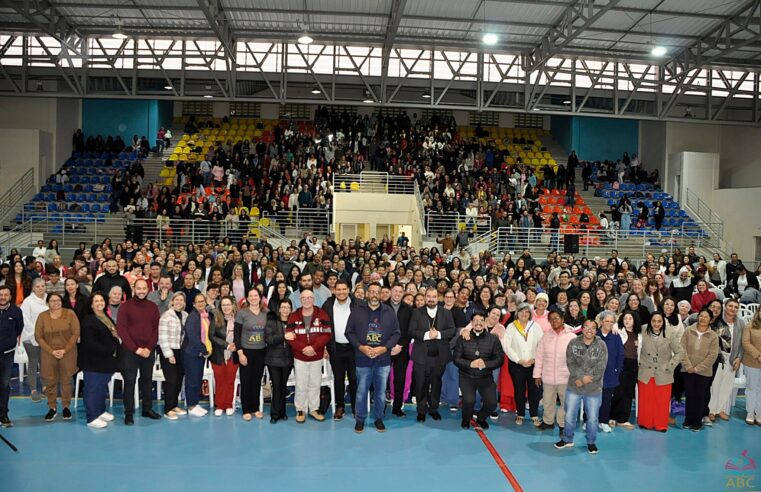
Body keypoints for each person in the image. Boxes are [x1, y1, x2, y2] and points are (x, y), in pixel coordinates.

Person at [345, 282, 400, 433]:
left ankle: (379, 418)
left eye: (377, 292)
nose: (374, 294)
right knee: (361, 391)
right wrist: (361, 347)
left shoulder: (389, 311)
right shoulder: (357, 311)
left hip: (382, 360)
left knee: (381, 392)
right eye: (372, 291)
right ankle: (360, 419)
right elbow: (349, 332)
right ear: (367, 293)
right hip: (363, 358)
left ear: (382, 294)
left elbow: (396, 333)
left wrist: (384, 348)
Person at [555, 319, 608, 454]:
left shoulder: (601, 345)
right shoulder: (573, 343)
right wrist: (580, 378)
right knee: (569, 416)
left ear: (596, 330)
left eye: (592, 328)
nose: (589, 330)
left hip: (593, 388)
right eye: (586, 327)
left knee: (592, 418)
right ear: (582, 328)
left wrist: (585, 379)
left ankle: (591, 442)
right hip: (574, 386)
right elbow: (570, 362)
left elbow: (601, 366)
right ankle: (567, 439)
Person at [116, 278, 161, 425]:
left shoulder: (153, 307)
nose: (141, 291)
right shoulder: (125, 307)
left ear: (148, 290)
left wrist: (148, 348)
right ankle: (129, 413)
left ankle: (147, 409)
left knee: (147, 380)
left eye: (144, 288)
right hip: (130, 351)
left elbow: (156, 329)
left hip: (148, 351)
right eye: (139, 288)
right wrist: (136, 349)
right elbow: (121, 330)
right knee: (130, 381)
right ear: (134, 289)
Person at [285, 288, 332, 423]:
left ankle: (314, 409)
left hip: (316, 356)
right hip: (300, 357)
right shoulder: (294, 316)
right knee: (300, 384)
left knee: (315, 383)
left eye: (309, 298)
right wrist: (304, 348)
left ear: (314, 299)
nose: (307, 300)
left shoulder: (322, 314)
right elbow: (289, 336)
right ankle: (300, 409)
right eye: (304, 298)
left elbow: (327, 333)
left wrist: (314, 347)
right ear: (300, 300)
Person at [409, 288, 456, 422]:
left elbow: (452, 330)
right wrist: (426, 335)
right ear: (425, 297)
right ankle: (421, 410)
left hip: (439, 356)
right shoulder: (416, 312)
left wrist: (439, 334)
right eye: (428, 296)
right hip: (421, 356)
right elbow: (411, 331)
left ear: (438, 298)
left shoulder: (446, 313)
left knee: (436, 384)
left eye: (434, 296)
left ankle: (434, 409)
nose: (431, 299)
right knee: (420, 384)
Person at [453, 311, 503, 430]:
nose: (478, 323)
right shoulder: (463, 338)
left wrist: (486, 364)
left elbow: (500, 359)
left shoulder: (493, 339)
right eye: (475, 321)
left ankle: (481, 418)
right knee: (469, 401)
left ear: (485, 322)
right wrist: (470, 364)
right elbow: (456, 359)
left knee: (492, 403)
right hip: (466, 376)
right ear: (471, 323)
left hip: (485, 377)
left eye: (481, 320)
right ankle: (466, 418)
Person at [35, 292, 80, 421]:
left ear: (61, 301)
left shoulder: (70, 314)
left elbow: (76, 332)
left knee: (66, 380)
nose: (55, 303)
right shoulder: (42, 316)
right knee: (50, 380)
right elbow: (38, 336)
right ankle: (52, 407)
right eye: (52, 301)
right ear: (47, 303)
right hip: (48, 353)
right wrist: (51, 351)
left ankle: (66, 407)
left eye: (58, 300)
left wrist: (65, 350)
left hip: (68, 352)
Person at [78, 292, 120, 428]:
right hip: (93, 361)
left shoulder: (104, 316)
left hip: (106, 361)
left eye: (101, 300)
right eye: (96, 301)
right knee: (92, 388)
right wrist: (111, 349)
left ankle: (100, 411)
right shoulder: (89, 320)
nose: (99, 303)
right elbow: (91, 343)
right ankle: (91, 417)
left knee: (102, 387)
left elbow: (113, 334)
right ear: (91, 304)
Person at [637, 312, 683, 432]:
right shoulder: (642, 330)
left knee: (661, 401)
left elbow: (680, 352)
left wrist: (670, 366)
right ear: (649, 321)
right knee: (646, 399)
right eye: (654, 321)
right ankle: (645, 422)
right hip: (646, 370)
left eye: (659, 321)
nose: (656, 324)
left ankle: (660, 424)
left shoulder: (670, 334)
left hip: (663, 371)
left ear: (663, 322)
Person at [322, 279, 360, 421]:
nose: (341, 292)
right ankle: (340, 406)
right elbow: (324, 327)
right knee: (338, 378)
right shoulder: (328, 305)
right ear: (334, 290)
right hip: (335, 348)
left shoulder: (357, 304)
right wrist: (325, 346)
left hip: (354, 348)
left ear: (349, 290)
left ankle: (356, 407)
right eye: (338, 289)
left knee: (354, 378)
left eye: (344, 289)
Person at [533, 309, 575, 432]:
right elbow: (539, 356)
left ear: (562, 319)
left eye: (557, 318)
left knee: (565, 403)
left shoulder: (571, 336)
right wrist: (537, 374)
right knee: (547, 401)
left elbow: (576, 358)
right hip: (548, 377)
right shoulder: (545, 336)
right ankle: (548, 421)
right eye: (551, 319)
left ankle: (562, 424)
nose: (554, 321)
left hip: (565, 377)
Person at [503, 303, 543, 426]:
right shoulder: (511, 326)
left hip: (533, 364)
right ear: (517, 313)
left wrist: (535, 359)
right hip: (517, 365)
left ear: (530, 314)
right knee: (519, 390)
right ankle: (520, 413)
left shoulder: (535, 326)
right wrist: (518, 360)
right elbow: (506, 345)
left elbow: (542, 344)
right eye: (521, 312)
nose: (524, 314)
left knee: (534, 391)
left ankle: (534, 414)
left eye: (526, 312)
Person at [681, 308, 719, 431]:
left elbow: (712, 356)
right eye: (701, 316)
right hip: (687, 370)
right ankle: (688, 420)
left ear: (711, 320)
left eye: (706, 317)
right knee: (689, 395)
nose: (703, 318)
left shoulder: (713, 336)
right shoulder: (688, 330)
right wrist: (688, 366)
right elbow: (682, 349)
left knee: (700, 396)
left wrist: (697, 368)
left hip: (704, 372)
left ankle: (697, 422)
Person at [235, 288, 269, 421]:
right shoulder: (242, 313)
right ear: (247, 298)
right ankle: (246, 409)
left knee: (256, 380)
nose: (254, 298)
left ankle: (255, 408)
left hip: (261, 351)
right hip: (246, 351)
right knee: (246, 380)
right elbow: (237, 335)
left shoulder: (266, 313)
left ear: (260, 298)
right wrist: (240, 353)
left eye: (256, 295)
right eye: (251, 296)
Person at [708, 299, 745, 421]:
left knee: (727, 385)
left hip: (732, 357)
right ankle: (711, 410)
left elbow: (742, 343)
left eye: (735, 307)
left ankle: (721, 410)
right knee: (715, 384)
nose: (732, 309)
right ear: (725, 306)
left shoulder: (740, 323)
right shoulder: (718, 320)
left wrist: (739, 358)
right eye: (730, 306)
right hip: (718, 356)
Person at [158, 292, 188, 420]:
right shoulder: (166, 316)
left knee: (178, 379)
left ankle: (174, 405)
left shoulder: (185, 315)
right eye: (177, 300)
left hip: (181, 351)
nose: (179, 302)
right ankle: (168, 408)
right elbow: (162, 337)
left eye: (181, 300)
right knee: (171, 380)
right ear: (172, 301)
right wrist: (169, 354)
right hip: (168, 350)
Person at [264, 298, 294, 423]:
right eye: (283, 307)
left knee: (283, 386)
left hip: (288, 360)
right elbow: (268, 339)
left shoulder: (294, 323)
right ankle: (275, 414)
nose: (285, 310)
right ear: (279, 309)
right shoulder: (271, 322)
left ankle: (282, 412)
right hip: (273, 360)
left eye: (288, 307)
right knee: (276, 386)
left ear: (291, 309)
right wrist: (283, 337)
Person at [610, 310, 641, 429]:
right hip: (621, 364)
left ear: (635, 321)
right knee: (618, 392)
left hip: (633, 365)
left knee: (628, 392)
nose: (627, 321)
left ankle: (623, 419)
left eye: (630, 319)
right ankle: (611, 417)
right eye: (625, 318)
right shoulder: (618, 330)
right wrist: (616, 325)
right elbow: (614, 324)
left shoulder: (639, 335)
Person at [209, 296, 239, 417]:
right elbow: (212, 336)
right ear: (220, 307)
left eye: (228, 304)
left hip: (234, 355)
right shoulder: (216, 319)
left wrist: (236, 345)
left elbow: (242, 334)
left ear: (233, 305)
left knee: (230, 380)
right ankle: (220, 405)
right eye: (223, 305)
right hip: (218, 355)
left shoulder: (238, 319)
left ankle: (228, 404)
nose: (226, 307)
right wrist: (227, 345)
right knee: (220, 379)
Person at [183, 294, 212, 417]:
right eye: (198, 302)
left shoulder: (206, 315)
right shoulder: (192, 317)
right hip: (191, 353)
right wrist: (204, 350)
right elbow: (193, 337)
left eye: (202, 301)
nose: (200, 304)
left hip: (199, 353)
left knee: (198, 379)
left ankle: (195, 403)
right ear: (194, 304)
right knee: (192, 380)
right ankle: (191, 406)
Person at [388, 283, 414, 417]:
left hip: (401, 349)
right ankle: (381, 405)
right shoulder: (383, 306)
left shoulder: (409, 309)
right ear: (391, 292)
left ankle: (397, 407)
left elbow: (410, 331)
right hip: (384, 348)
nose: (397, 294)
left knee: (400, 379)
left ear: (403, 293)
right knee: (382, 378)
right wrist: (388, 346)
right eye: (395, 291)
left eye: (400, 292)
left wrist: (400, 346)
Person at [596, 310, 624, 433]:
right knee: (592, 398)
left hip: (610, 374)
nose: (609, 323)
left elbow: (620, 355)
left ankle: (603, 421)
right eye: (606, 321)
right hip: (594, 374)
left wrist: (617, 371)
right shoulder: (595, 335)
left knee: (606, 400)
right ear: (601, 322)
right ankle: (588, 420)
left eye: (611, 322)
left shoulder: (616, 336)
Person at [20, 278, 47, 403]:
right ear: (33, 288)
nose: (40, 288)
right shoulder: (28, 302)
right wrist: (35, 335)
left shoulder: (48, 299)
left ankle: (45, 387)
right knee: (33, 362)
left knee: (45, 363)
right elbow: (26, 321)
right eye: (38, 286)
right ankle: (33, 390)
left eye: (42, 286)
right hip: (30, 338)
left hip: (46, 338)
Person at [0, 285, 24, 427]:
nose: (2, 297)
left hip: (7, 354)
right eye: (0, 294)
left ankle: (3, 414)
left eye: (5, 294)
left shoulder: (16, 311)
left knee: (4, 384)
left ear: (10, 296)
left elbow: (18, 329)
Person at [742, 310, 761, 425]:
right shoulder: (749, 326)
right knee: (751, 388)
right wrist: (758, 356)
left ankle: (759, 413)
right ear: (758, 312)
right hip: (752, 362)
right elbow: (746, 343)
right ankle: (750, 412)